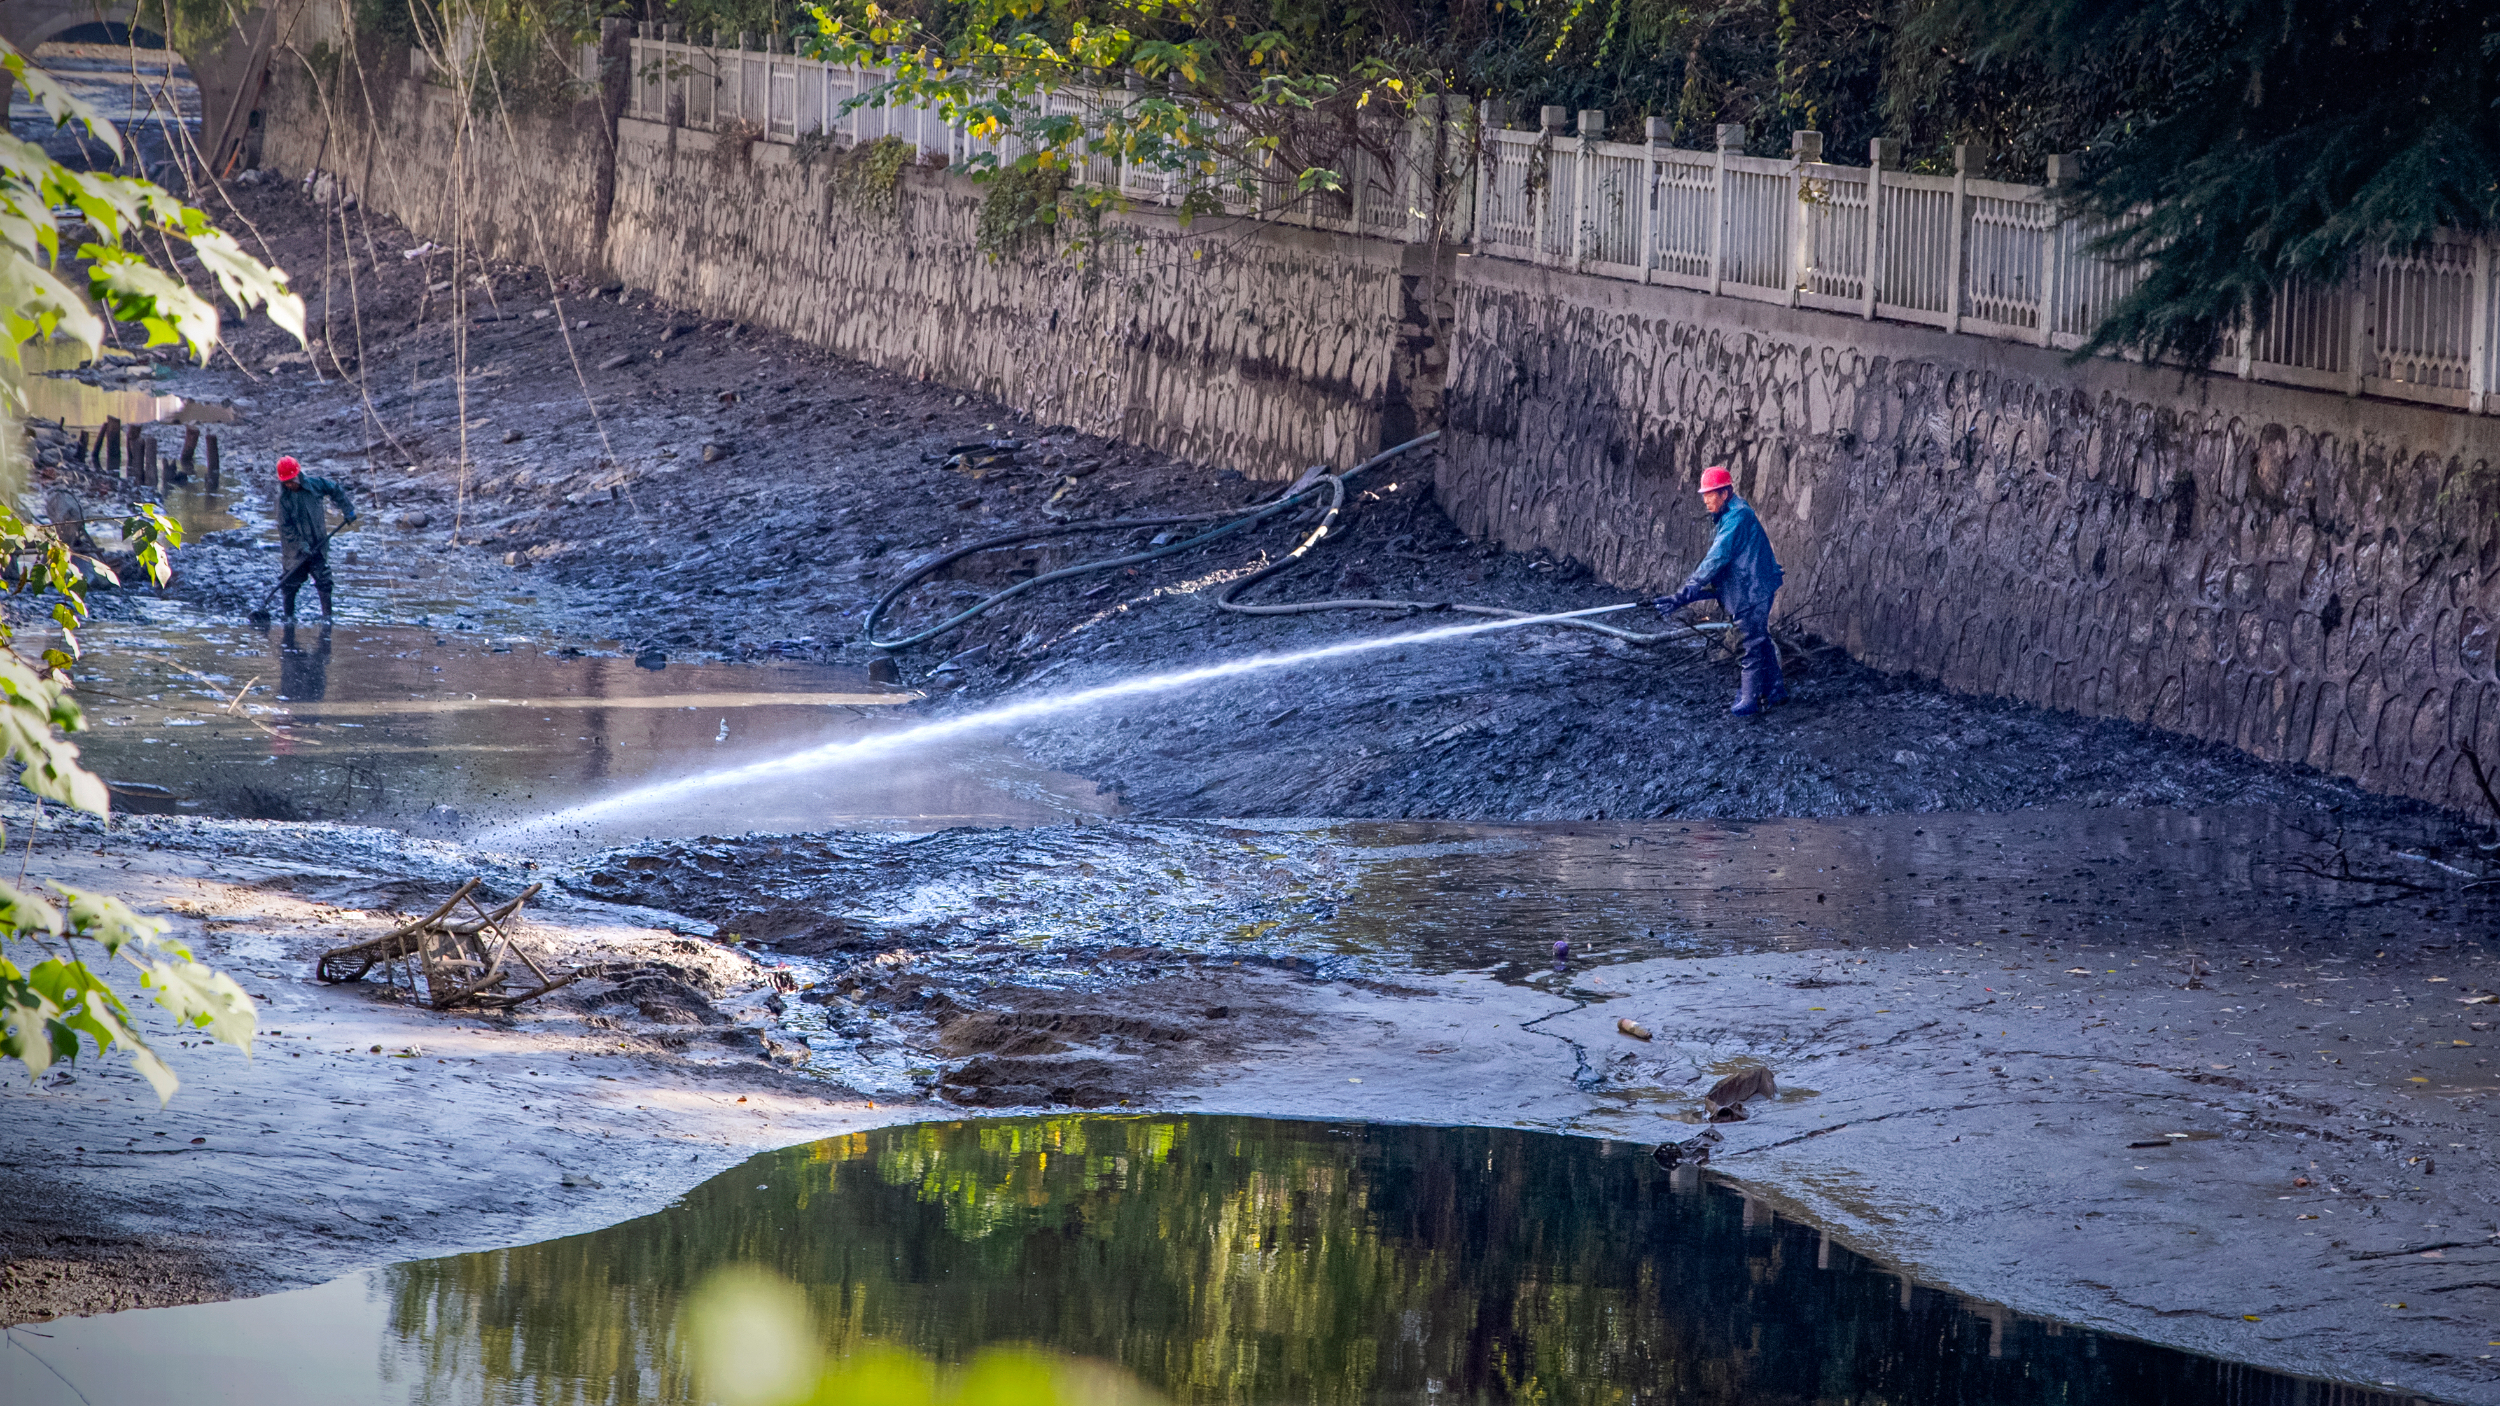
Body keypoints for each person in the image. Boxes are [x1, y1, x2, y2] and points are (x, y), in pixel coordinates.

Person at [1653, 464, 1786, 715]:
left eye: (1710, 493)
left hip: (1753, 588)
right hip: (1752, 585)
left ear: (1725, 493)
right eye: (1704, 494)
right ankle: (1775, 689)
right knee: (1760, 639)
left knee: (1752, 643)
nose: (1705, 500)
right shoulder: (1731, 513)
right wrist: (1685, 596)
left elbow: (1717, 558)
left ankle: (1749, 698)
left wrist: (1690, 588)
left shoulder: (1737, 517)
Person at [270, 455, 355, 620]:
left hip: (318, 544)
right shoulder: (283, 500)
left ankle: (327, 618)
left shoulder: (316, 485)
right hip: (295, 551)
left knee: (324, 581)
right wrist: (301, 545)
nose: (290, 485)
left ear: (298, 475)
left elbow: (335, 489)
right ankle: (288, 618)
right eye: (286, 482)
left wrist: (347, 509)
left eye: (292, 480)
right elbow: (285, 528)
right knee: (290, 584)